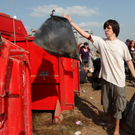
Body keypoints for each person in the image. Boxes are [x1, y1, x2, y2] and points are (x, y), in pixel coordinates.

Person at [62, 13, 135, 135]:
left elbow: (129, 62)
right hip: (106, 80)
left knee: (118, 106)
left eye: (108, 28)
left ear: (115, 30)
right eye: (105, 28)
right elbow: (85, 34)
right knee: (108, 106)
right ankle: (112, 122)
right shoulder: (101, 42)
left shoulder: (122, 45)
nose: (105, 30)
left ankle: (117, 129)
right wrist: (71, 23)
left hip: (119, 81)